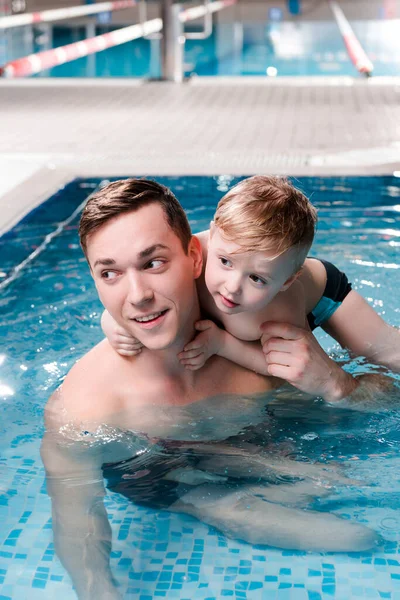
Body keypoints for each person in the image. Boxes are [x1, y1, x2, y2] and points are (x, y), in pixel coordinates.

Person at [42, 179, 387, 600]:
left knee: (348, 515)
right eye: (110, 272)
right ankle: (202, 501)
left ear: (193, 258)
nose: (138, 297)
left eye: (153, 263)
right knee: (353, 533)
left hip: (249, 434)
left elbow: (384, 391)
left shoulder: (264, 330)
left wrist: (337, 384)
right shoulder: (85, 406)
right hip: (162, 475)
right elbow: (76, 519)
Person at [102, 176, 399, 398]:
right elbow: (138, 284)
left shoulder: (277, 311)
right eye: (225, 262)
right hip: (275, 263)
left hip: (325, 293)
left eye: (255, 279)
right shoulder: (191, 253)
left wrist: (223, 344)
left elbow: (286, 369)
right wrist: (111, 320)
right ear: (212, 237)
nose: (232, 288)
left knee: (389, 357)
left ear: (286, 281)